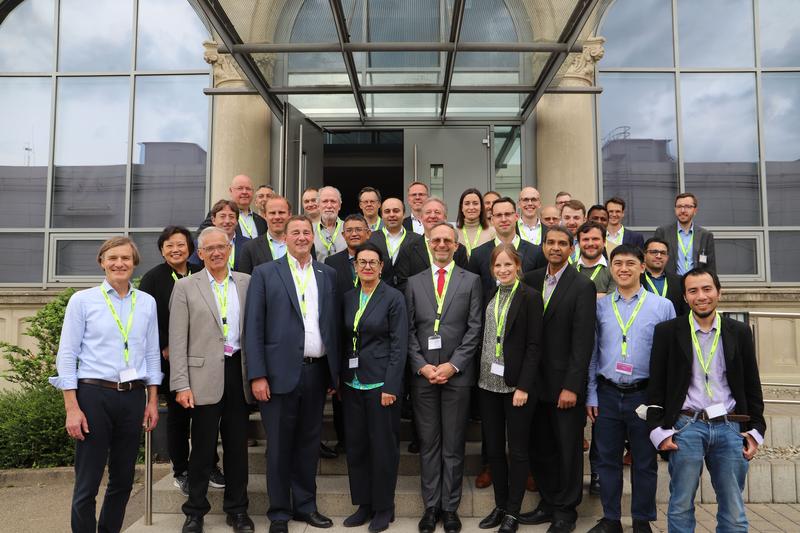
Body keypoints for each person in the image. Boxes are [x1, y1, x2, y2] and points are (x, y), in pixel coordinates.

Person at [50, 237, 161, 533]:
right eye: (112, 258)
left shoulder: (146, 303)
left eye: (125, 258)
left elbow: (151, 353)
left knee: (123, 480)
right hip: (93, 395)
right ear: (102, 262)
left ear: (134, 263)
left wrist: (152, 400)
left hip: (133, 396)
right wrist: (71, 408)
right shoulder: (83, 300)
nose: (119, 263)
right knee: (88, 481)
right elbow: (67, 354)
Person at [647, 268, 766, 531]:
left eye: (707, 289)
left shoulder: (739, 331)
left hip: (729, 427)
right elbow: (656, 386)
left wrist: (756, 431)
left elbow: (752, 385)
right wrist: (659, 432)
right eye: (693, 291)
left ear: (718, 292)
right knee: (680, 504)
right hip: (686, 426)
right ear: (686, 297)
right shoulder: (667, 332)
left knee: (734, 509)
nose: (701, 296)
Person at [245, 215, 340, 533]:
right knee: (279, 447)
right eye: (295, 232)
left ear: (313, 237)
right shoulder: (265, 273)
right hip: (277, 377)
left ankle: (305, 506)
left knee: (309, 444)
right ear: (284, 238)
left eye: (306, 232)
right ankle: (279, 513)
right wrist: (257, 375)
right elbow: (253, 328)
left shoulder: (327, 274)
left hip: (316, 374)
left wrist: (333, 375)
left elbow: (332, 326)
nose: (301, 237)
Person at [169, 227, 255, 533]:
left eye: (222, 246)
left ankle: (238, 510)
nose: (217, 252)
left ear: (230, 248)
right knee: (203, 449)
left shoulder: (247, 282)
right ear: (200, 253)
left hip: (238, 372)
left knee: (237, 448)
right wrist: (182, 384)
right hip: (201, 375)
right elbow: (177, 340)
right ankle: (195, 510)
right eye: (210, 248)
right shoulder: (186, 287)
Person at [585, 244, 675, 533]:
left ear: (642, 267)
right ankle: (611, 519)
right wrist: (591, 393)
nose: (623, 268)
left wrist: (663, 402)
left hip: (644, 395)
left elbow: (670, 357)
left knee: (645, 463)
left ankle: (641, 520)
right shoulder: (599, 307)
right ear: (611, 269)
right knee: (607, 461)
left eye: (630, 263)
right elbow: (593, 353)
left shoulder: (661, 306)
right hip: (608, 393)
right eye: (618, 263)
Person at [405, 222, 483, 533]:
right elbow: (408, 331)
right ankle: (430, 506)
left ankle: (450, 508)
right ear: (429, 244)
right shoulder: (413, 282)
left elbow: (475, 328)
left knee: (453, 444)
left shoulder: (472, 281)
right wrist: (422, 366)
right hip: (424, 376)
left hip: (457, 376)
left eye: (446, 240)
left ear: (456, 245)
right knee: (429, 443)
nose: (440, 245)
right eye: (435, 240)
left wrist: (453, 365)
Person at [518, 226, 596, 533]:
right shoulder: (532, 278)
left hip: (564, 386)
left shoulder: (582, 285)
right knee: (541, 447)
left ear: (571, 248)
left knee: (568, 449)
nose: (555, 248)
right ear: (543, 245)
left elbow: (583, 342)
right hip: (533, 383)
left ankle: (566, 510)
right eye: (550, 242)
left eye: (562, 243)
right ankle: (548, 503)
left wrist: (572, 387)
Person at [138, 226, 217, 496]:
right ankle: (181, 469)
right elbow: (146, 319)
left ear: (192, 249)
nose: (176, 249)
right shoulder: (153, 279)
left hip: (205, 359)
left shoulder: (201, 273)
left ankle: (210, 465)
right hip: (173, 360)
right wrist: (164, 344)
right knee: (179, 418)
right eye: (169, 245)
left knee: (207, 416)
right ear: (162, 250)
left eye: (181, 244)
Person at [341, 242, 408, 533]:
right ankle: (364, 504)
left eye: (373, 262)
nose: (367, 266)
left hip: (381, 385)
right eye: (362, 262)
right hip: (352, 384)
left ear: (381, 267)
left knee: (383, 448)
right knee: (356, 446)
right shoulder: (348, 297)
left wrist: (392, 385)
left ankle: (384, 507)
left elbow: (399, 344)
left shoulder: (393, 298)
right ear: (355, 266)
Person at [476, 244, 542, 533]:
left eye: (507, 265)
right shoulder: (490, 295)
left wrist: (524, 385)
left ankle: (513, 512)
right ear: (492, 270)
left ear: (518, 266)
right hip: (486, 384)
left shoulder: (530, 297)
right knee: (493, 450)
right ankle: (500, 505)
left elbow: (534, 345)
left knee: (517, 450)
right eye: (497, 266)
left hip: (516, 387)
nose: (502, 270)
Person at [325, 214, 372, 457]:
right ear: (343, 236)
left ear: (368, 233)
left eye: (359, 230)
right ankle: (344, 439)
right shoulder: (331, 263)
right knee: (342, 392)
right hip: (343, 336)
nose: (354, 233)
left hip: (373, 338)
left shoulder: (377, 259)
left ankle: (367, 439)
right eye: (349, 230)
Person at [468, 197, 546, 305]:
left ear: (516, 217)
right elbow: (474, 297)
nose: (504, 219)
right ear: (492, 220)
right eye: (499, 215)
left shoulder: (536, 253)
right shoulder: (477, 255)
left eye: (508, 214)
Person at [394, 197, 468, 294]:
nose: (432, 216)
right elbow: (403, 284)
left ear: (445, 218)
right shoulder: (408, 250)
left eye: (437, 212)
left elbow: (465, 281)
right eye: (428, 212)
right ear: (420, 218)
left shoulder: (459, 249)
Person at [654, 192, 716, 275]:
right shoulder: (663, 232)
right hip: (671, 283)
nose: (682, 210)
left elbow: (711, 267)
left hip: (696, 283)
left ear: (695, 210)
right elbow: (656, 261)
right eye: (679, 206)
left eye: (687, 207)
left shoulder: (705, 235)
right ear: (675, 209)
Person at [369, 197, 423, 288]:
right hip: (379, 292)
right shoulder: (371, 239)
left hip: (408, 292)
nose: (392, 215)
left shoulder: (417, 240)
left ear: (404, 214)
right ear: (381, 215)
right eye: (387, 211)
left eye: (396, 211)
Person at [198, 175, 267, 239]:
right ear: (231, 191)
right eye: (240, 188)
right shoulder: (219, 215)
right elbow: (201, 238)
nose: (244, 192)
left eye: (248, 189)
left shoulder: (261, 221)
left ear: (253, 192)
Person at [239, 196, 291, 275]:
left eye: (281, 212)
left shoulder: (302, 244)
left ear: (289, 215)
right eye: (272, 213)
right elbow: (245, 282)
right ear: (265, 215)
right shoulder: (250, 248)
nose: (277, 217)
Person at [191, 200, 247, 272]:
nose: (227, 221)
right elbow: (194, 270)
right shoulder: (200, 244)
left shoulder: (249, 245)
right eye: (222, 216)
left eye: (231, 216)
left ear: (237, 221)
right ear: (213, 220)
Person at [641, 238, 688, 316]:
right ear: (644, 255)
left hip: (671, 326)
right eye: (654, 252)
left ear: (667, 257)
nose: (659, 256)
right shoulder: (635, 280)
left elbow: (684, 310)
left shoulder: (679, 281)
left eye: (663, 253)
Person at [576, 221, 616, 298]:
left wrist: (578, 297)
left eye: (595, 239)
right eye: (585, 239)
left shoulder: (614, 269)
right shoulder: (569, 269)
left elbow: (612, 300)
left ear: (604, 242)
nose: (590, 243)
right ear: (578, 243)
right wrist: (601, 296)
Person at [456, 188, 494, 258]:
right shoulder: (454, 233)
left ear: (481, 207)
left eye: (475, 203)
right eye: (467, 204)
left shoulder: (492, 233)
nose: (471, 207)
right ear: (461, 208)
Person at [314, 186, 347, 262]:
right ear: (318, 205)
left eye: (333, 201)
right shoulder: (310, 230)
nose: (329, 206)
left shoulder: (349, 229)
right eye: (325, 201)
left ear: (339, 206)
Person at [561, 199, 586, 265]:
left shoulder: (591, 243)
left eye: (576, 218)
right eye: (567, 218)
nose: (571, 222)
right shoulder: (552, 243)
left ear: (584, 220)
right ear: (561, 219)